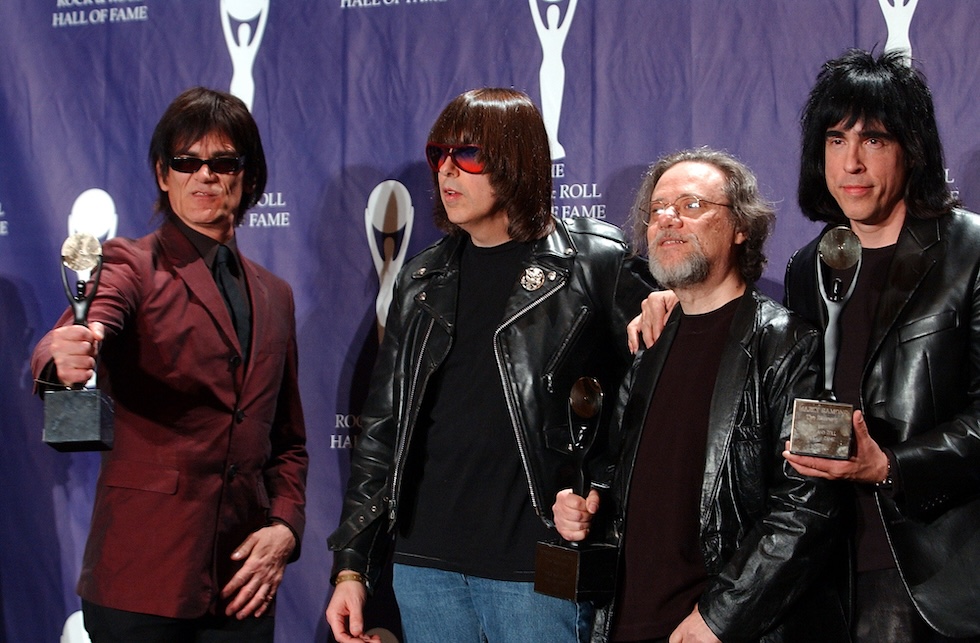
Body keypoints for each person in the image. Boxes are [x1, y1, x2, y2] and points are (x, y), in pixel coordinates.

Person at [325, 87, 652, 643]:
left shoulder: (594, 262)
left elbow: (650, 401)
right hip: (426, 567)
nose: (448, 170)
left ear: (516, 162)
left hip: (537, 564)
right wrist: (353, 566)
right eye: (438, 155)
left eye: (469, 155)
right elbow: (381, 430)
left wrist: (597, 487)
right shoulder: (421, 279)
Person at [31, 87, 307, 642]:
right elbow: (88, 320)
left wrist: (284, 527)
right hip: (142, 581)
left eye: (223, 162)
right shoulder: (129, 263)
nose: (204, 175)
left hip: (242, 586)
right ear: (163, 174)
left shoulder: (276, 295)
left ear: (248, 178)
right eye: (187, 161)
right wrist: (61, 353)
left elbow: (289, 441)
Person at [555, 148, 848, 642]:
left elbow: (811, 506)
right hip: (625, 622)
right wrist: (586, 505)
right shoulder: (648, 344)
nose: (668, 219)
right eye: (658, 209)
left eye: (691, 205)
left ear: (741, 228)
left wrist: (720, 616)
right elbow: (621, 474)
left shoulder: (791, 343)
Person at [781, 49, 980, 641]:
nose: (852, 163)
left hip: (929, 575)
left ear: (911, 149)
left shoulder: (968, 252)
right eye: (837, 140)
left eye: (874, 140)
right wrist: (672, 301)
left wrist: (890, 467)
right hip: (822, 574)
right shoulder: (806, 268)